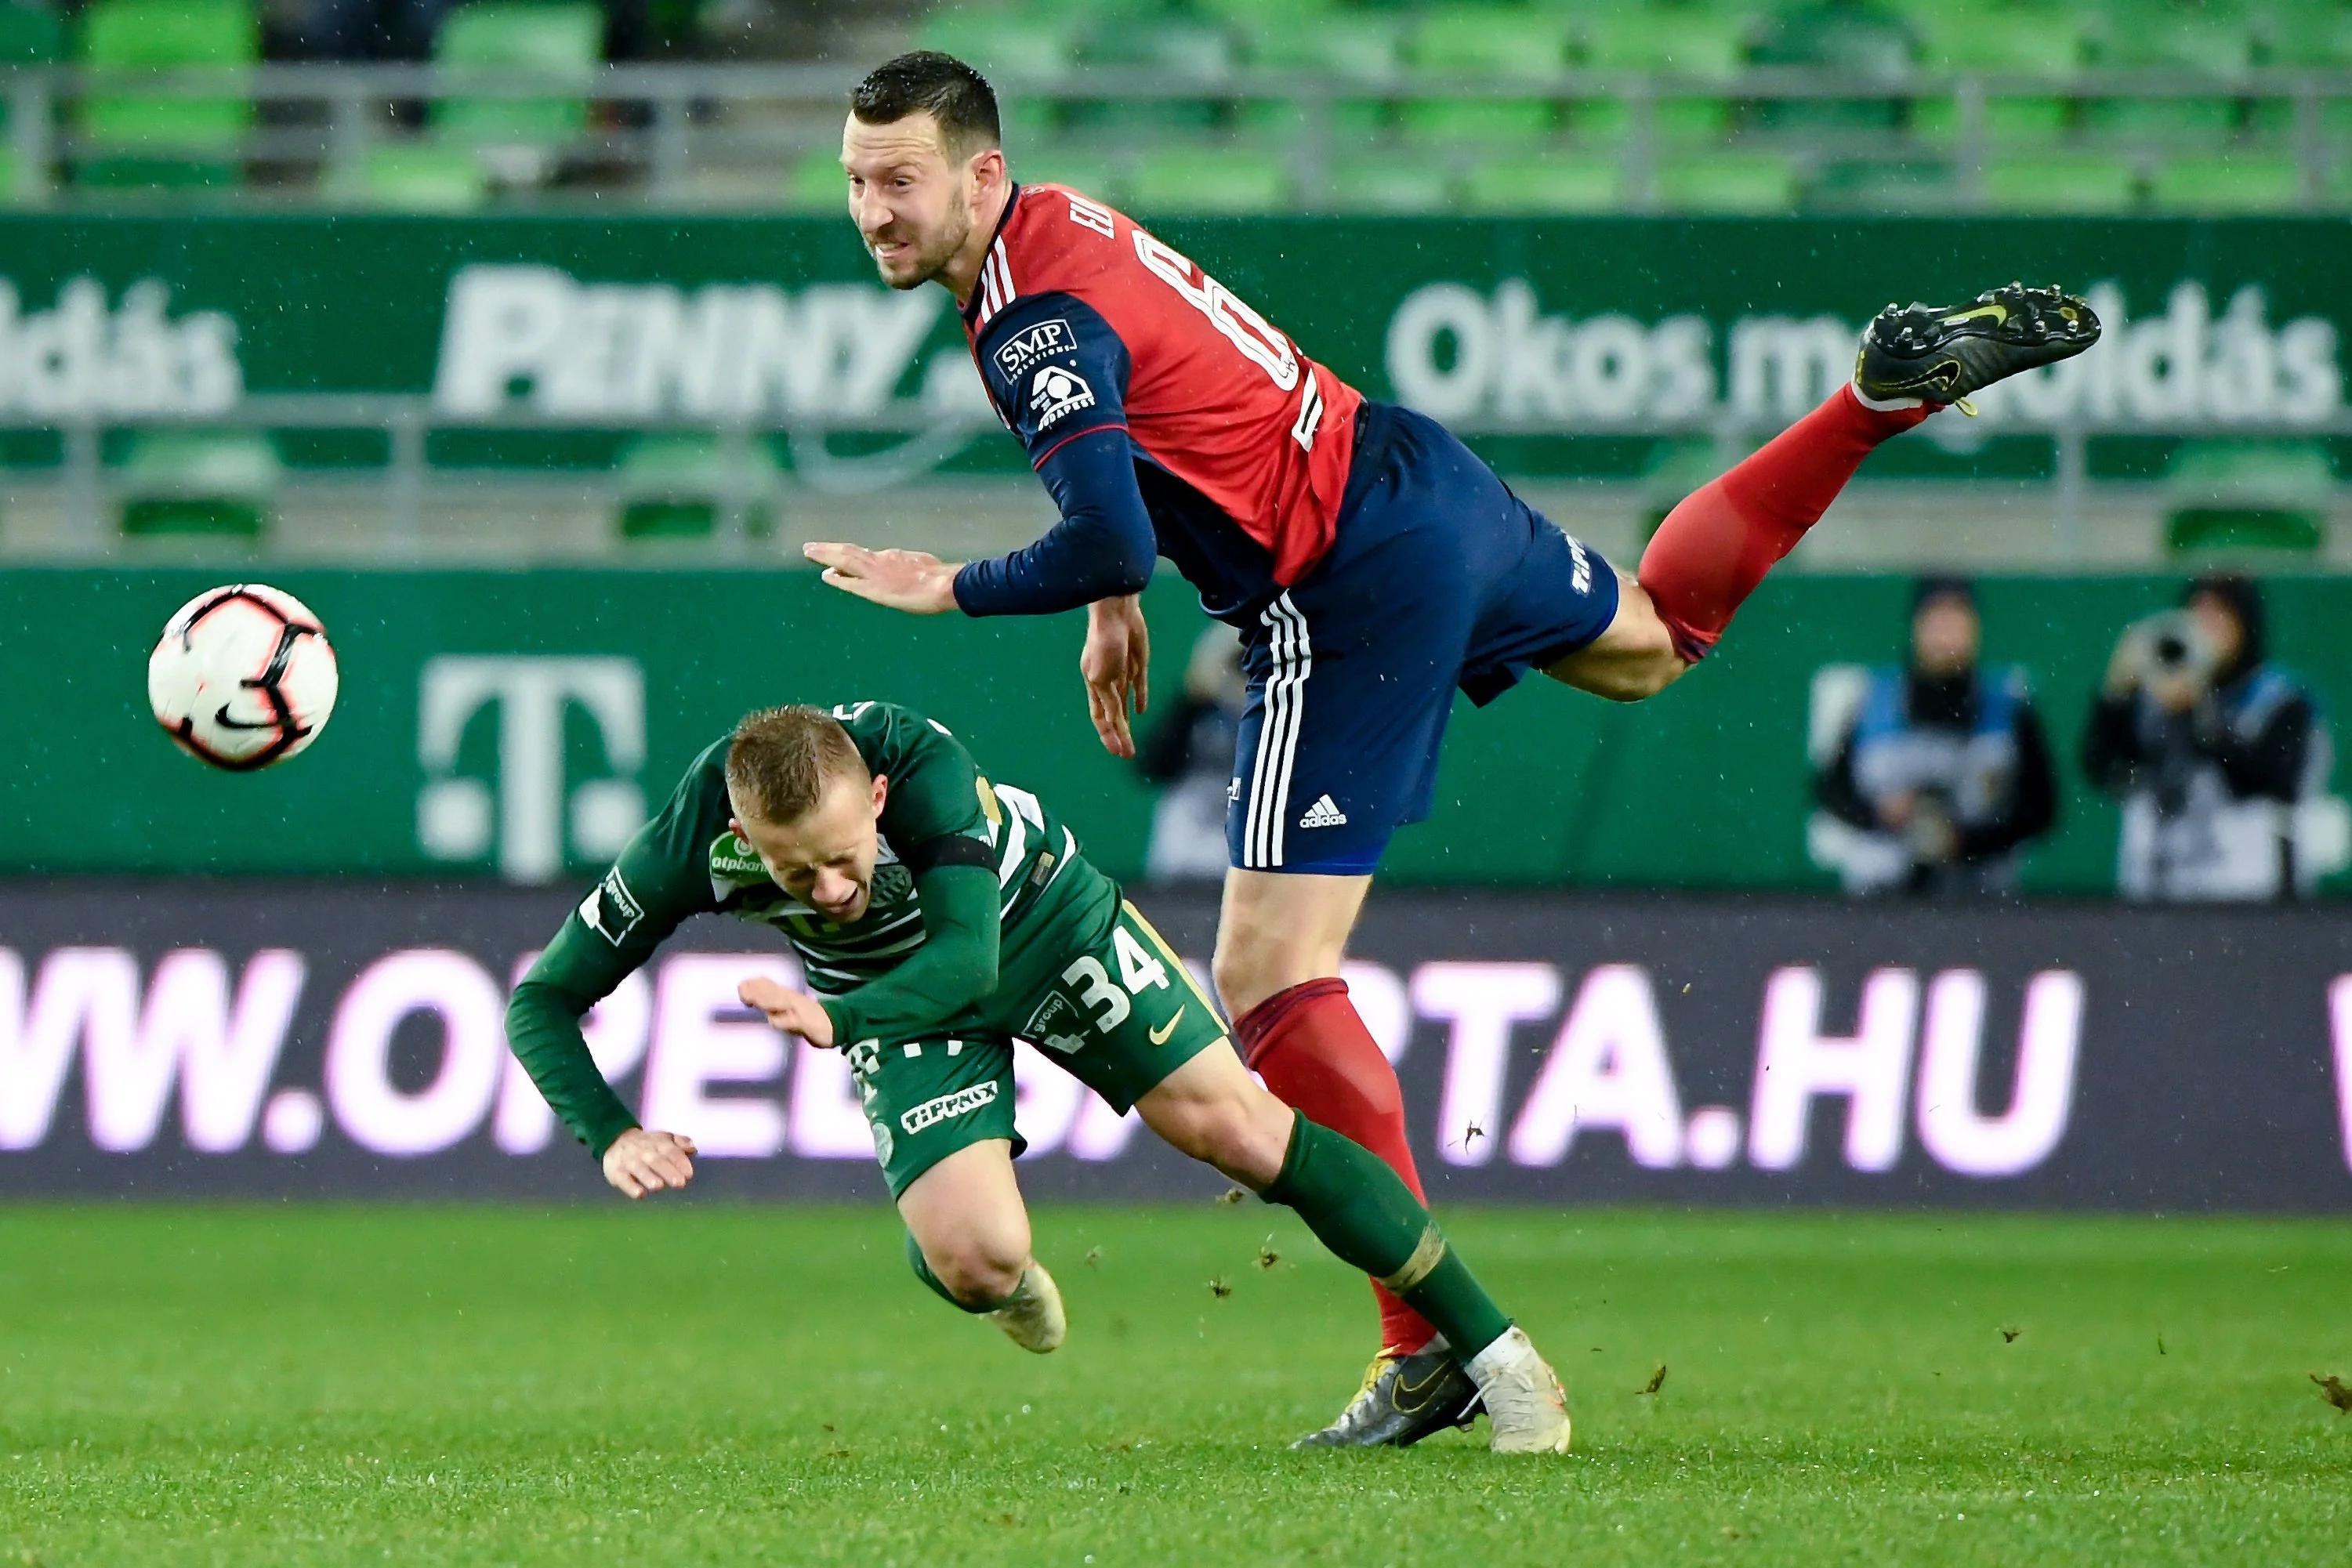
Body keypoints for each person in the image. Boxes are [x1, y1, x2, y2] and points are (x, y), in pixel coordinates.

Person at [795, 51, 2101, 1445]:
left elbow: (1108, 516)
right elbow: (1151, 424)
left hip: (1338, 585)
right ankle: (1872, 405)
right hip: (1413, 479)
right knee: (1654, 640)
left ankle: (1422, 1347)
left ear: (981, 173)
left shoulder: (1024, 323)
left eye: (900, 180)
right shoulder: (1060, 224)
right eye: (857, 181)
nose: (873, 210)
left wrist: (959, 585)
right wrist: (1112, 599)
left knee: (1267, 974)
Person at [506, 702, 1575, 1454]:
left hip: (1042, 924)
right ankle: (988, 1267)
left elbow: (966, 963)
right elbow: (540, 999)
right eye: (797, 871)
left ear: (877, 795)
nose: (829, 890)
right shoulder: (690, 845)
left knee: (1240, 1131)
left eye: (845, 856)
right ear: (743, 837)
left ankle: (1497, 1357)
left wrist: (839, 1018)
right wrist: (611, 1131)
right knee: (976, 1263)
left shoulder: (922, 760)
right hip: (894, 996)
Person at [2082, 573, 2334, 900]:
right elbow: (2105, 769)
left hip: (2253, 894)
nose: (2205, 628)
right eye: (2196, 615)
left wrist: (2200, 714)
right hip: (2157, 892)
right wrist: (2116, 694)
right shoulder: (2156, 700)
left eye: (2218, 616)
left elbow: (2269, 782)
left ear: (2244, 625)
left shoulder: (2282, 702)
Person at [1812, 576, 2057, 896]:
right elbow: (1832, 790)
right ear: (1917, 627)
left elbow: (2040, 808)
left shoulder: (2008, 708)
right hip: (1879, 894)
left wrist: (1967, 841)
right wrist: (1883, 814)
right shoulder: (1873, 702)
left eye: (1958, 620)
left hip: (1981, 898)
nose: (1947, 635)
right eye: (1937, 620)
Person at [1136, 622, 1247, 883]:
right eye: (1239, 663)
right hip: (1191, 826)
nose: (1246, 672)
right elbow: (1152, 765)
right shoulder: (1199, 710)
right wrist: (1195, 694)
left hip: (1245, 822)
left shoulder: (1283, 713)